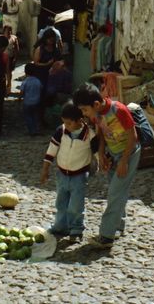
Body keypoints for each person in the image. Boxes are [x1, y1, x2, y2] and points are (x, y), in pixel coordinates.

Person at [73, 82, 141, 248]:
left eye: (84, 110)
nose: (84, 114)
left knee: (114, 193)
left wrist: (124, 161)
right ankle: (118, 226)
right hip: (113, 153)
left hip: (129, 154)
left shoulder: (119, 110)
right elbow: (101, 132)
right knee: (117, 190)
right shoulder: (96, 114)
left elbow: (133, 136)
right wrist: (101, 154)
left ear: (96, 104)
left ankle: (106, 236)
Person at [40, 101, 97, 243]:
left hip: (79, 176)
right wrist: (45, 169)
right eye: (65, 123)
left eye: (70, 123)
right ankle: (60, 226)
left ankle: (76, 229)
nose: (67, 126)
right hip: (62, 174)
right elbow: (52, 150)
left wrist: (103, 164)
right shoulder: (61, 131)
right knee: (61, 202)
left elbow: (97, 153)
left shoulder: (89, 135)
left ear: (80, 120)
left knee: (76, 205)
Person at [33, 31, 64, 124]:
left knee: (51, 97)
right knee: (41, 96)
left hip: (53, 76)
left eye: (52, 40)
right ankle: (40, 117)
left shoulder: (55, 49)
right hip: (41, 74)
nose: (51, 41)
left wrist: (59, 64)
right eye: (49, 39)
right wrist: (46, 64)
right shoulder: (40, 49)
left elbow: (61, 59)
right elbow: (35, 62)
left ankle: (48, 117)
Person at [20, 62, 42, 136]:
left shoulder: (25, 81)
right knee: (35, 116)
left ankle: (31, 130)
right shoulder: (37, 81)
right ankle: (36, 129)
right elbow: (41, 88)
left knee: (28, 116)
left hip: (27, 102)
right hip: (36, 101)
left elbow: (22, 91)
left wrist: (20, 98)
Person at [3, 24, 19, 94]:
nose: (9, 32)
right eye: (7, 30)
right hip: (2, 58)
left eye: (10, 30)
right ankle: (3, 88)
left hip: (10, 57)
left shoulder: (14, 38)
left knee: (9, 72)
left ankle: (8, 87)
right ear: (4, 31)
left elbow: (16, 49)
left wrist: (15, 58)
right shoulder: (1, 38)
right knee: (3, 73)